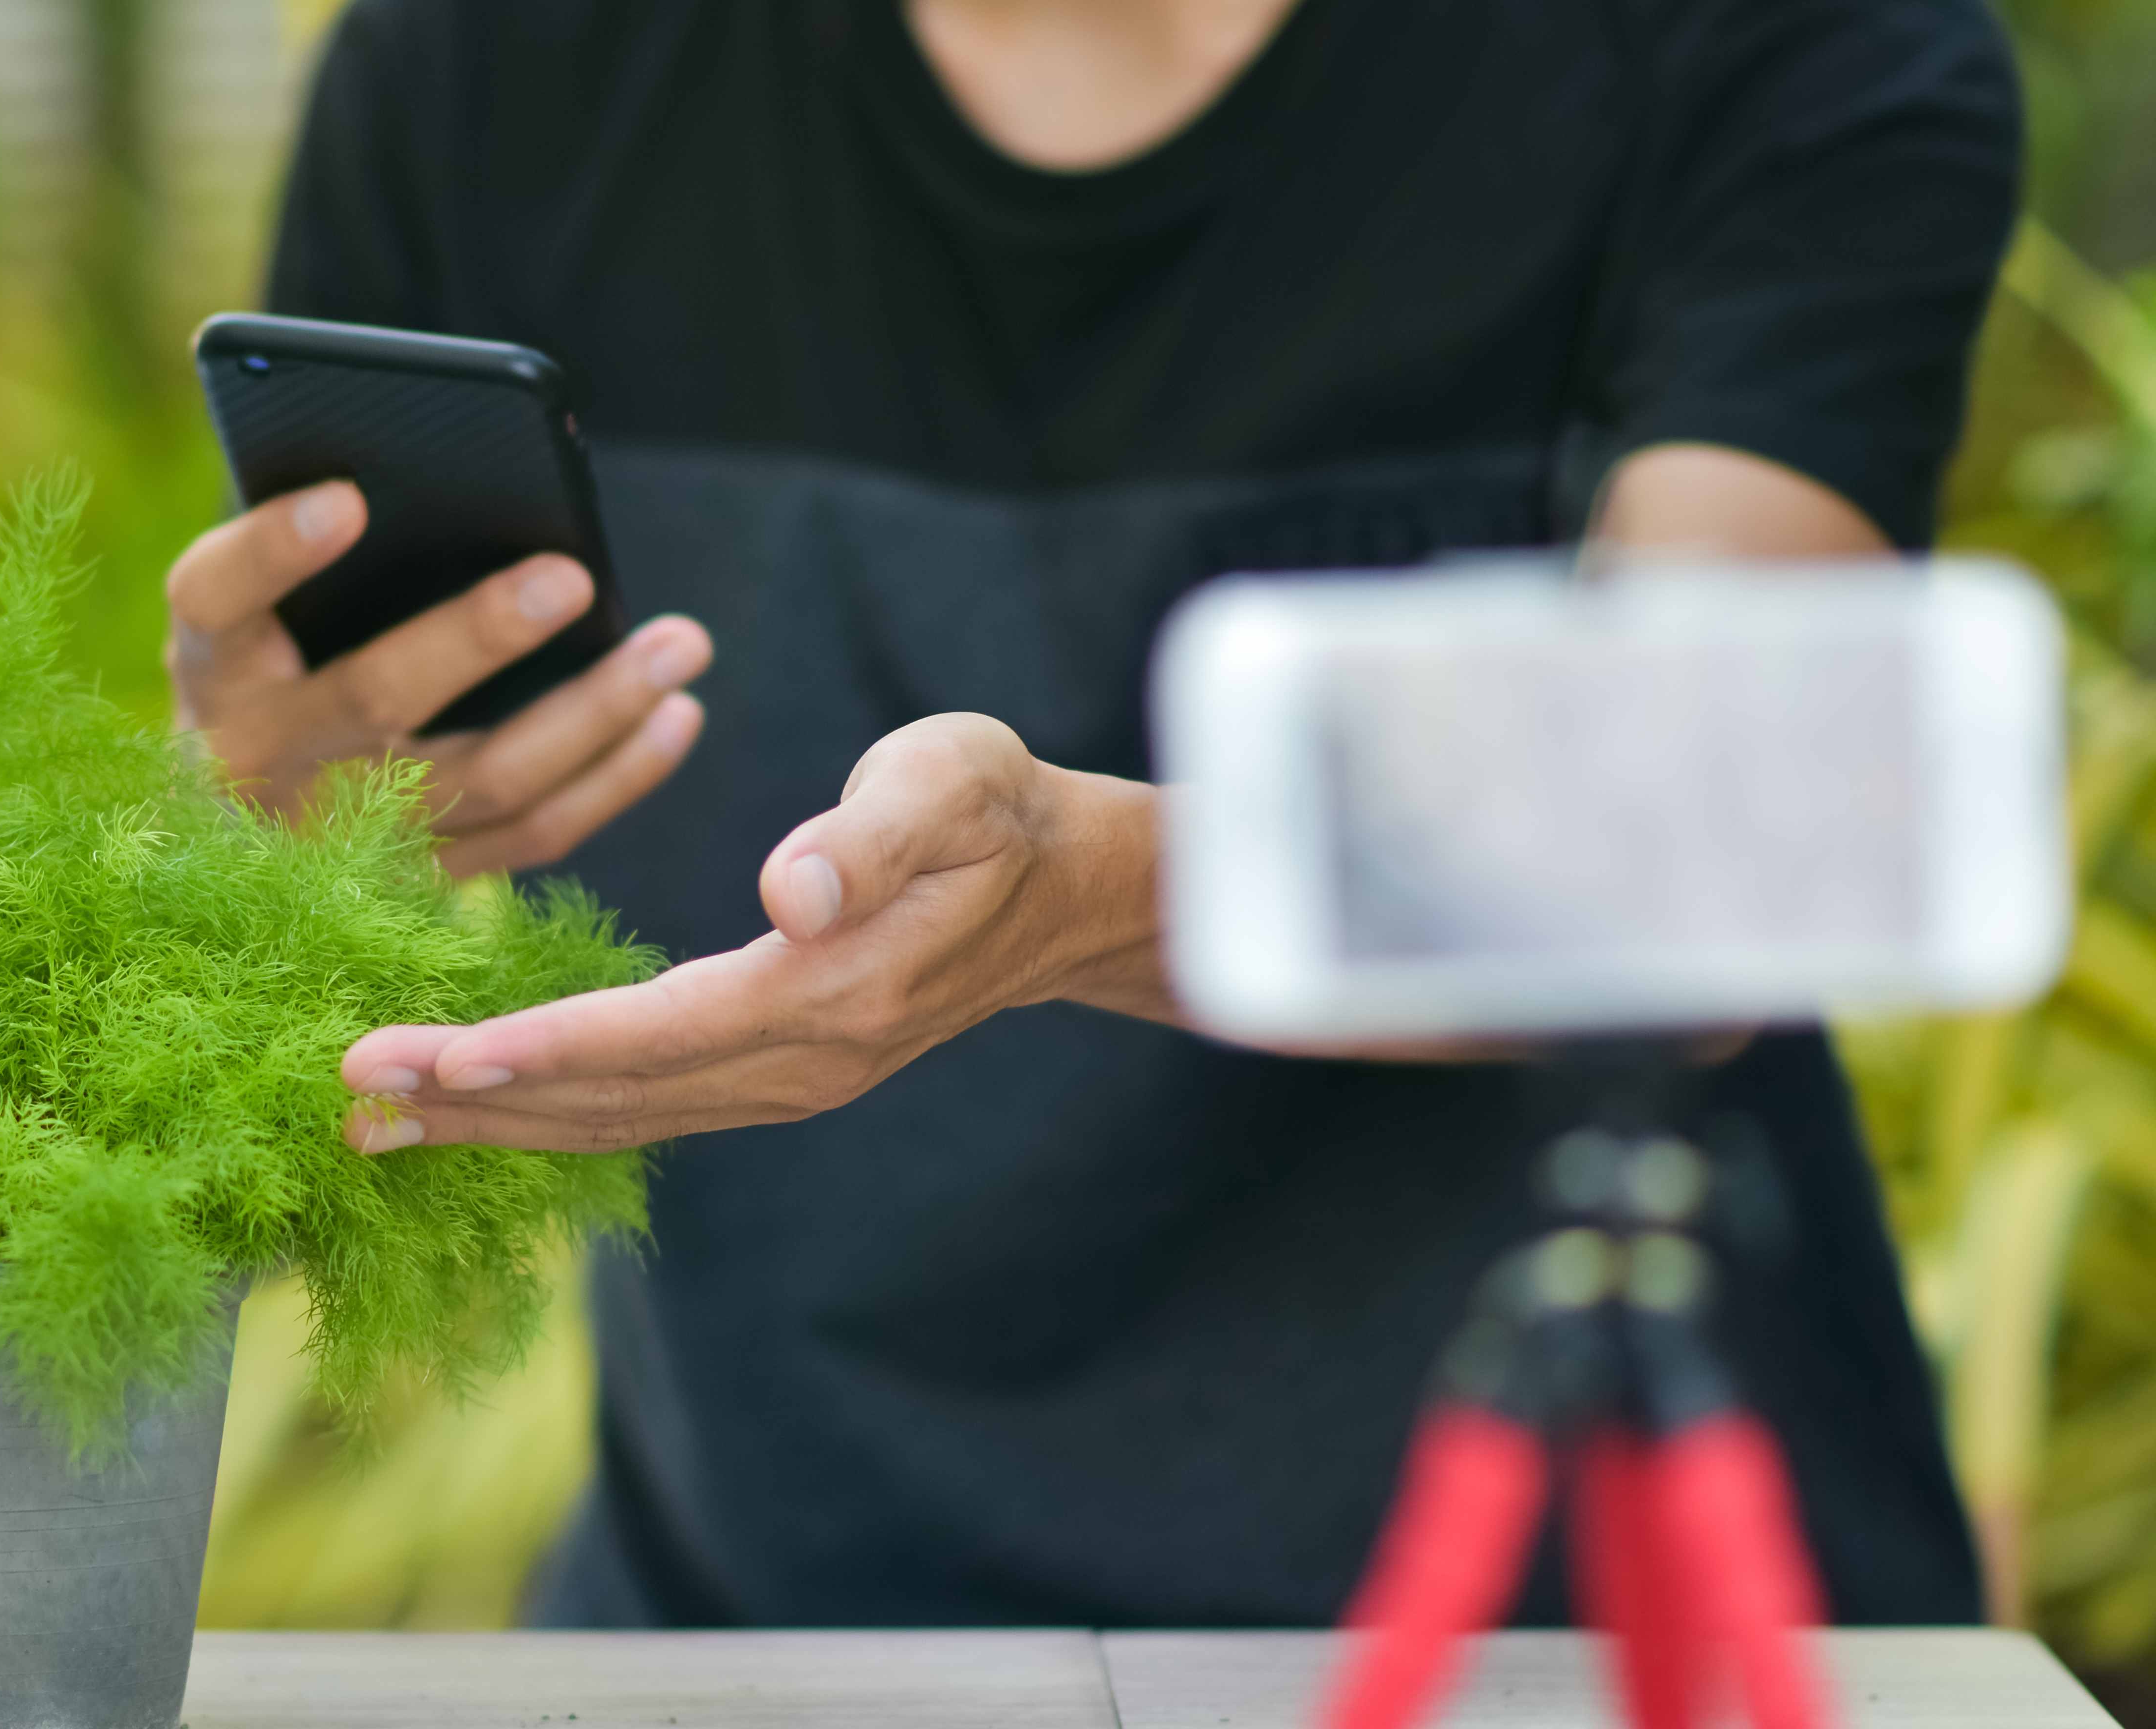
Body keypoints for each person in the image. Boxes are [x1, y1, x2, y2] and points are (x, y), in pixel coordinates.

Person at [163, 0, 2021, 1627]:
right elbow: (302, 830)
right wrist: (273, 809)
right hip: (761, 1652)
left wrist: (1085, 896)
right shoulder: (481, 64)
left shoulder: (1774, 43)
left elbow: (1709, 839)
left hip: (1604, 1678)